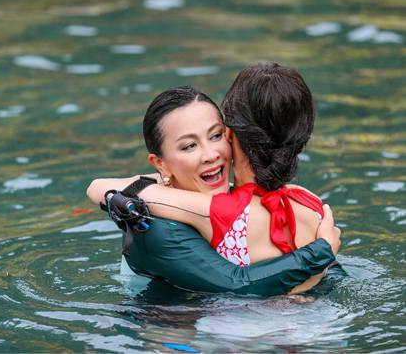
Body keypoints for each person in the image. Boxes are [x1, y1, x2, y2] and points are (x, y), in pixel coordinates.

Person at [87, 66, 340, 292]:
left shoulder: (218, 212)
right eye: (189, 146)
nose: (210, 155)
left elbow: (101, 188)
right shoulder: (311, 202)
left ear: (230, 134)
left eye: (216, 136)